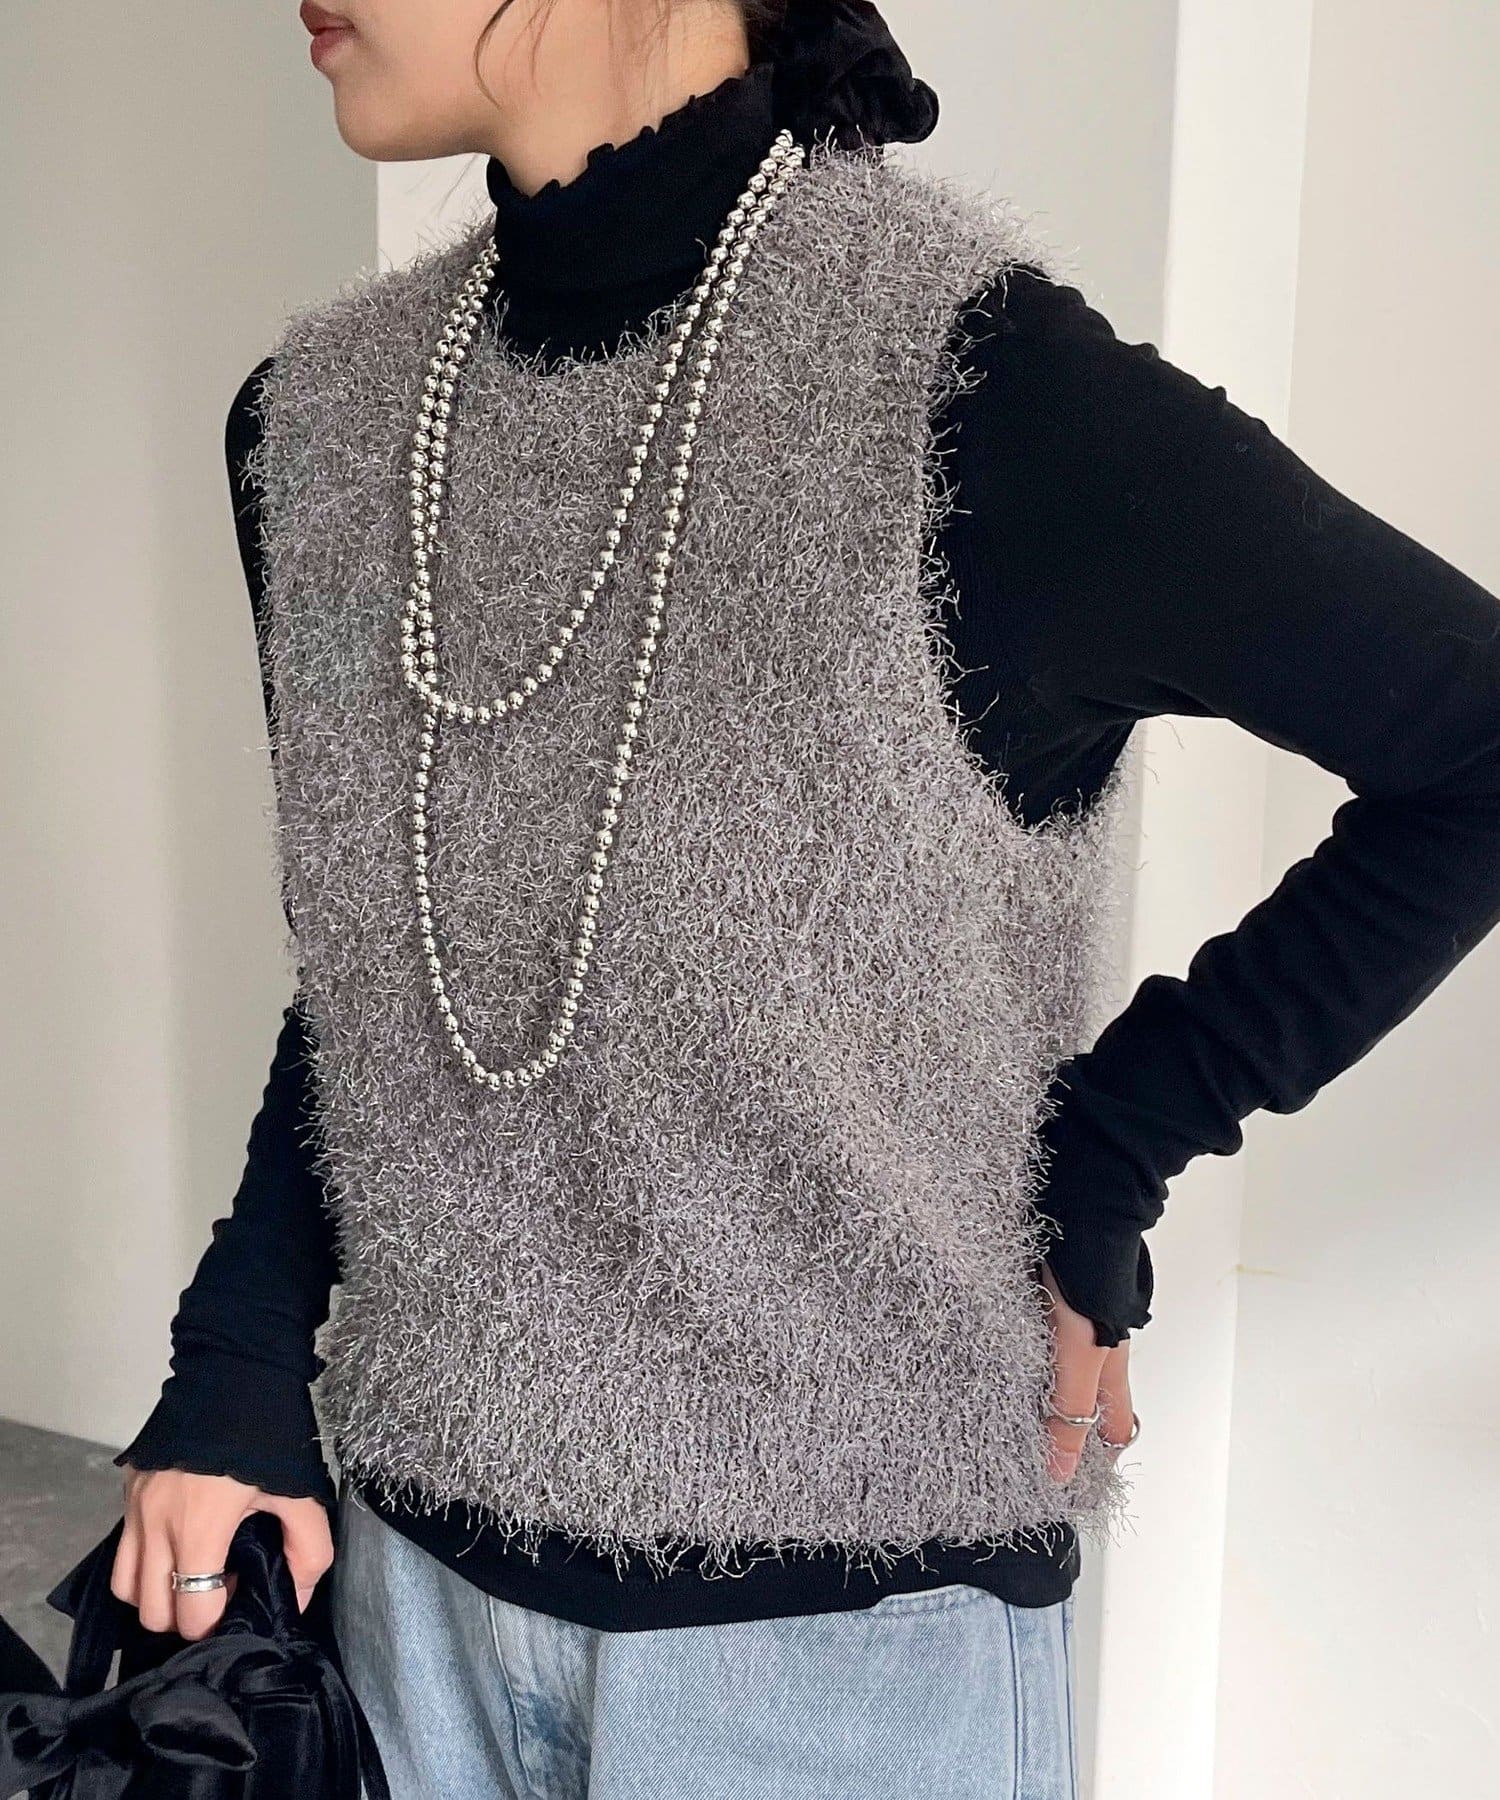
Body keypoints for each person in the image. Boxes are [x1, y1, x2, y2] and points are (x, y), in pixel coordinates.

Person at [108, 1, 1500, 1795]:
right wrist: (236, 1353)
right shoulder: (313, 428)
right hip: (408, 1603)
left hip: (842, 1658)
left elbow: (1472, 747)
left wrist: (1110, 1137)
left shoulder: (973, 393)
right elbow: (393, 964)